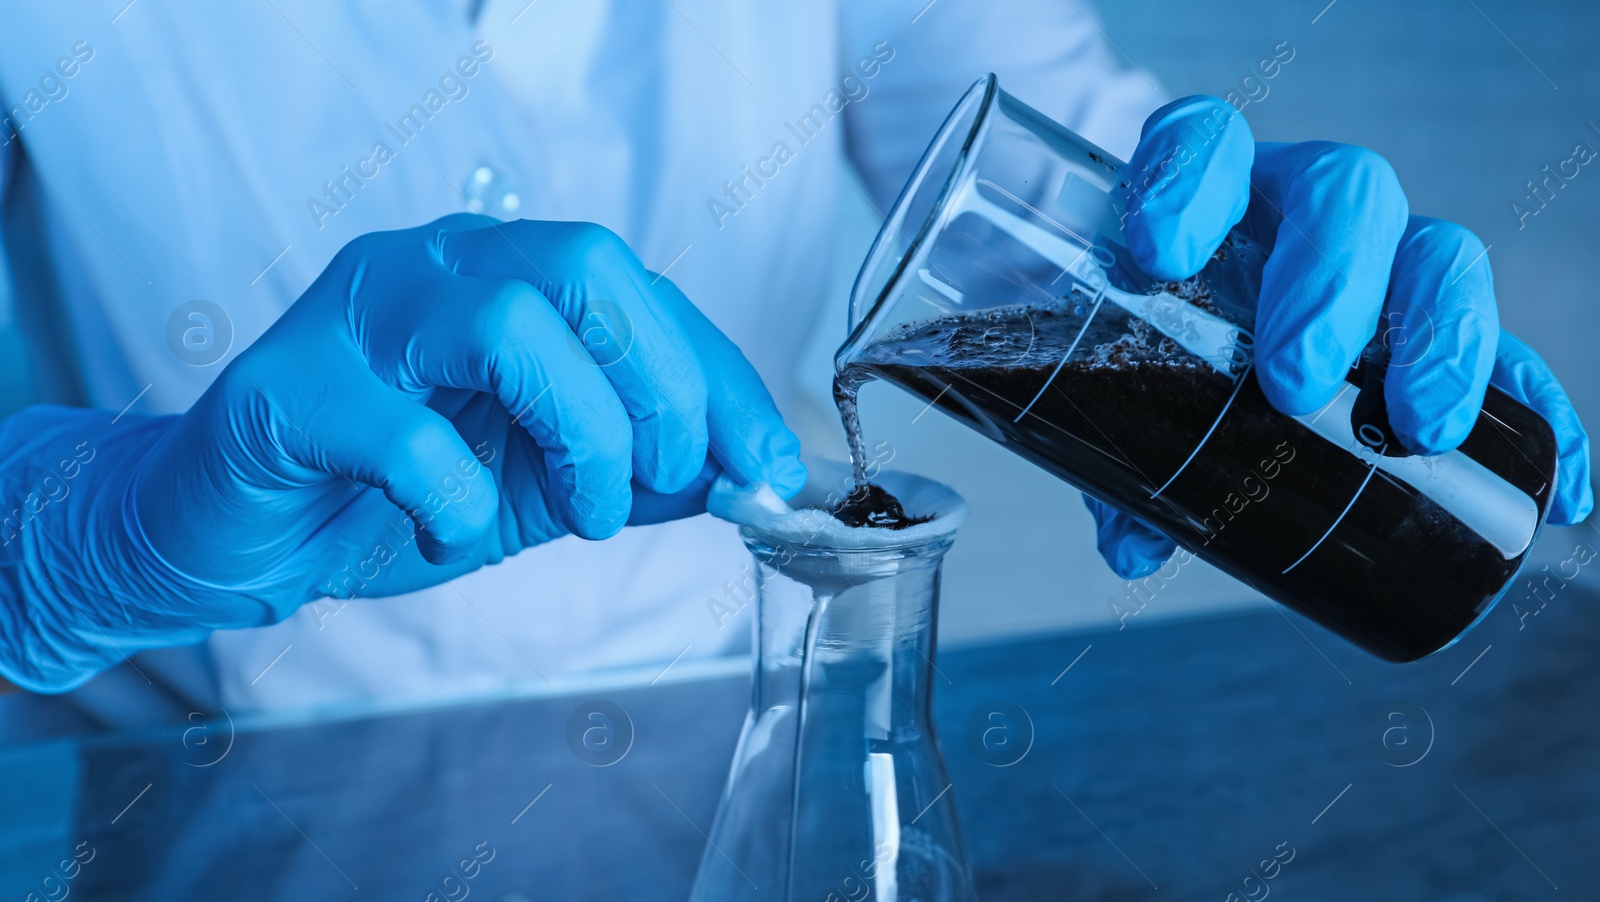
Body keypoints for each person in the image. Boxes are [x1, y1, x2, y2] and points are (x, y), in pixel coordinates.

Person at [0, 3, 1588, 711]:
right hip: (195, 841)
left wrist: (1249, 276)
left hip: (735, 784)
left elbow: (1059, 209)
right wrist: (84, 539)